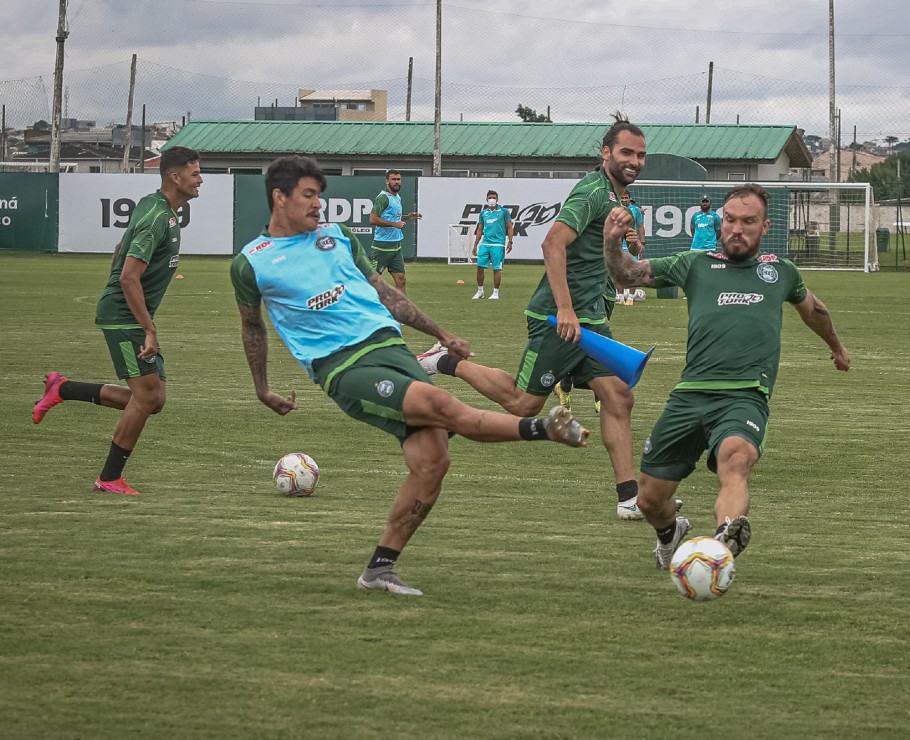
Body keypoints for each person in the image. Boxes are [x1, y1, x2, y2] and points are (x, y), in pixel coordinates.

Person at [231, 156, 589, 597]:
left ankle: (379, 570)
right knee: (441, 406)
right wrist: (262, 387)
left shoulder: (338, 237)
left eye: (319, 196)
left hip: (391, 348)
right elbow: (252, 327)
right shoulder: (251, 263)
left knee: (433, 461)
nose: (318, 205)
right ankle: (543, 429)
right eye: (308, 195)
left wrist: (441, 333)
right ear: (278, 197)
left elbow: (385, 294)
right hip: (343, 366)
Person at [602, 183, 850, 569]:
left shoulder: (780, 271)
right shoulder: (695, 263)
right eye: (730, 220)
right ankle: (670, 532)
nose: (736, 228)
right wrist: (611, 242)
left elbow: (814, 310)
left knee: (736, 459)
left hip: (744, 395)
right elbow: (629, 274)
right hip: (689, 395)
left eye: (747, 221)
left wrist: (835, 345)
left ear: (765, 226)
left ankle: (724, 538)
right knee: (650, 498)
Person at [419, 114, 655, 521]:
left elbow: (612, 263)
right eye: (626, 152)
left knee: (618, 396)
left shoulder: (618, 200)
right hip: (560, 319)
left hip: (591, 320)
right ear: (606, 153)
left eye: (641, 154)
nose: (634, 160)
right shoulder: (592, 193)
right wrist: (564, 308)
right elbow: (552, 243)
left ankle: (629, 499)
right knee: (523, 404)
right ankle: (445, 361)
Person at [32, 147, 204, 496]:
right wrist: (149, 328)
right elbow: (128, 277)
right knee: (145, 397)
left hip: (130, 314)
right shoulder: (157, 217)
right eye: (195, 173)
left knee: (154, 400)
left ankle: (62, 389)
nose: (200, 179)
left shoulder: (157, 207)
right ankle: (109, 478)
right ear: (175, 177)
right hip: (123, 316)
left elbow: (119, 248)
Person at [368, 169, 421, 294]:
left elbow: (392, 216)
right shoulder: (383, 198)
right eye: (393, 179)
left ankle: (401, 311)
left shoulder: (396, 197)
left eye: (398, 179)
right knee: (372, 281)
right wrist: (394, 224)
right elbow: (372, 219)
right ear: (387, 181)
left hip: (396, 246)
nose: (397, 182)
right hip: (382, 246)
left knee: (401, 280)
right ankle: (365, 307)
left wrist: (408, 216)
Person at [471, 189, 513, 300]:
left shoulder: (504, 212)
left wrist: (510, 241)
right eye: (490, 198)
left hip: (498, 244)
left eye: (494, 197)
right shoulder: (483, 213)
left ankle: (495, 292)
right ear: (486, 199)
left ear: (497, 199)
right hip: (485, 244)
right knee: (480, 267)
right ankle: (480, 291)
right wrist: (476, 244)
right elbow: (480, 229)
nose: (492, 200)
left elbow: (509, 226)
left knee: (496, 269)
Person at [614, 192, 645, 305]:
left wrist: (642, 242)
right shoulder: (616, 209)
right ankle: (621, 297)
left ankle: (631, 297)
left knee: (633, 271)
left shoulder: (635, 210)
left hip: (632, 244)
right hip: (619, 245)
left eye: (626, 198)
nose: (624, 200)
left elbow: (640, 226)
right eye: (622, 198)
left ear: (629, 199)